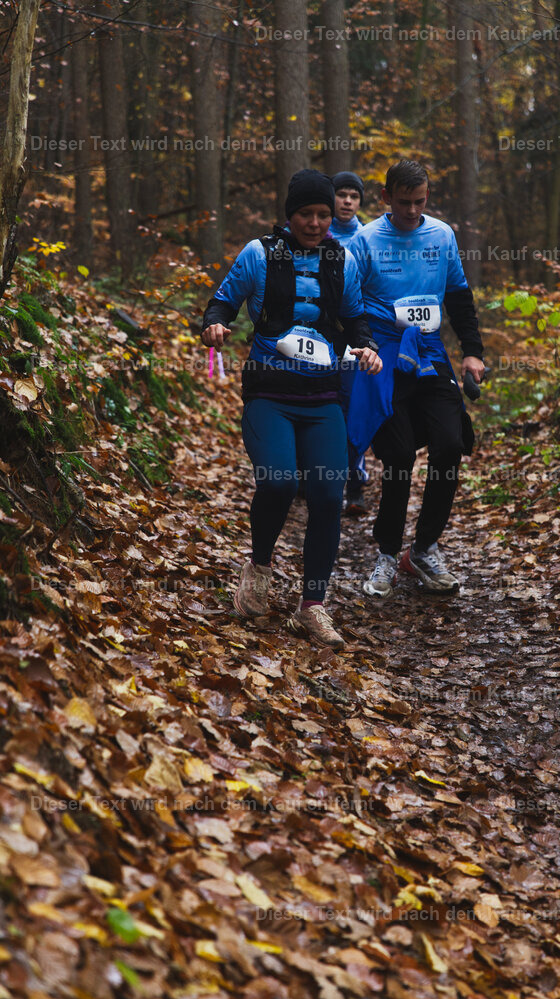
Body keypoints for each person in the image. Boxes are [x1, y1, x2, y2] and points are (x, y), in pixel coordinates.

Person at [201, 169, 382, 649]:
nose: (317, 222)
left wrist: (364, 347)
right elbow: (221, 305)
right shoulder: (259, 254)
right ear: (291, 214)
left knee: (327, 496)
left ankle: (313, 607)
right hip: (269, 394)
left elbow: (354, 317)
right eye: (308, 213)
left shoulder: (340, 259)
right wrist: (215, 327)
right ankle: (259, 568)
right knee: (279, 482)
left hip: (322, 396)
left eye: (324, 214)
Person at [347, 159, 485, 597]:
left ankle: (423, 549)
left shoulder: (441, 235)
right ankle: (387, 554)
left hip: (428, 352)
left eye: (419, 202)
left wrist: (472, 353)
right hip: (383, 357)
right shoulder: (366, 240)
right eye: (403, 202)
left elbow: (460, 296)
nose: (411, 211)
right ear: (386, 197)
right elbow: (347, 305)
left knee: (450, 443)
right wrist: (361, 347)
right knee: (400, 456)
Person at [329, 171, 367, 515]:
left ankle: (355, 483)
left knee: (351, 405)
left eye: (354, 196)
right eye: (342, 194)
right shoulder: (313, 229)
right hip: (315, 336)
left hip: (353, 336)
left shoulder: (367, 237)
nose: (347, 201)